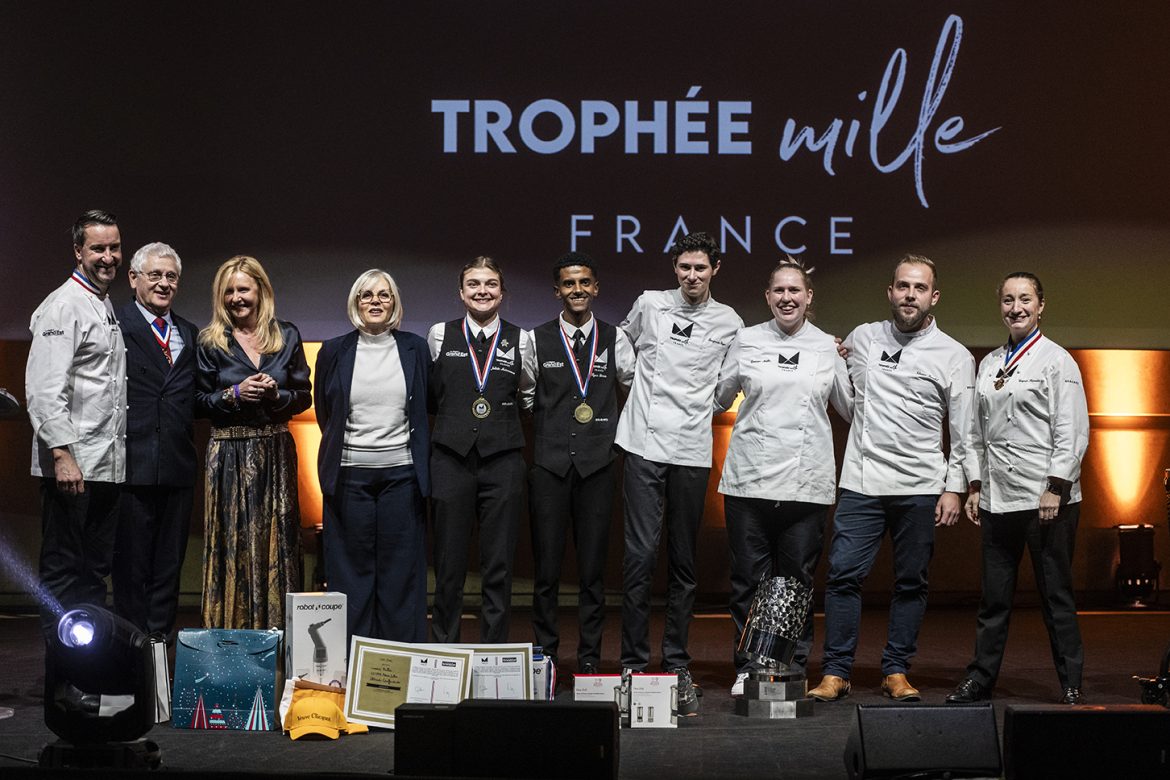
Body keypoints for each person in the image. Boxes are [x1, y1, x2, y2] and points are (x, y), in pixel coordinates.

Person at [808, 254, 977, 703]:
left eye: (919, 288)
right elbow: (845, 391)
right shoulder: (863, 338)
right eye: (903, 286)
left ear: (933, 297)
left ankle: (897, 670)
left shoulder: (955, 356)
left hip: (922, 486)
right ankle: (837, 671)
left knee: (911, 581)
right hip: (862, 482)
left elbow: (963, 429)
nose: (910, 295)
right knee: (843, 575)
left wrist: (955, 487)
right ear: (890, 291)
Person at [615, 231, 744, 715]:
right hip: (644, 445)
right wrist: (636, 387)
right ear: (675, 268)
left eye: (701, 268)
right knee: (639, 556)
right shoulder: (649, 304)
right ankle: (631, 660)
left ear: (716, 269)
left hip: (691, 448)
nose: (693, 276)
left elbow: (730, 381)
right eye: (685, 267)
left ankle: (675, 662)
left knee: (684, 561)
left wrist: (705, 407)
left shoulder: (729, 320)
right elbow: (621, 345)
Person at [946, 272, 1090, 705]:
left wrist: (1056, 486)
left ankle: (1071, 680)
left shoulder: (1058, 361)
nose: (1016, 308)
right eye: (1008, 300)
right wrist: (974, 486)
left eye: (1025, 299)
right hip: (997, 499)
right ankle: (980, 678)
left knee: (1055, 595)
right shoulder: (989, 363)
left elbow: (1073, 430)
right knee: (993, 600)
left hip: (1047, 500)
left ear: (1041, 305)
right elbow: (973, 434)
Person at [714, 258, 853, 696]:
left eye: (795, 291)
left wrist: (857, 357)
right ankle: (749, 666)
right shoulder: (746, 339)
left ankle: (789, 665)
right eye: (779, 291)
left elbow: (850, 408)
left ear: (809, 297)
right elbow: (720, 397)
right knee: (749, 581)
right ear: (767, 297)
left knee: (795, 581)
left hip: (805, 481)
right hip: (748, 479)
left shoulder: (827, 347)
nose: (787, 298)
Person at [528, 252, 635, 674]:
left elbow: (635, 388)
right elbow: (523, 394)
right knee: (546, 571)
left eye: (585, 283)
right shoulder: (535, 339)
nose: (577, 290)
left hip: (598, 468)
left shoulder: (616, 338)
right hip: (549, 468)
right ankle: (546, 658)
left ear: (596, 288)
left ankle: (590, 659)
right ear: (557, 291)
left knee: (593, 573)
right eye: (569, 284)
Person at [315, 269, 431, 644]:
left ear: (395, 303)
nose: (375, 302)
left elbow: (427, 407)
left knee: (401, 578)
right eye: (366, 295)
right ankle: (352, 668)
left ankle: (398, 664)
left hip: (402, 477)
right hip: (349, 478)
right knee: (351, 578)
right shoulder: (334, 350)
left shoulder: (416, 348)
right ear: (355, 303)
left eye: (384, 295)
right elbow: (325, 412)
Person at [196, 256, 312, 630]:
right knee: (233, 550)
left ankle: (277, 647)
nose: (235, 298)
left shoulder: (288, 335)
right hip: (228, 454)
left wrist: (277, 395)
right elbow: (196, 403)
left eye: (243, 289)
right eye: (228, 291)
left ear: (261, 291)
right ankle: (230, 645)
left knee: (278, 546)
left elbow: (304, 396)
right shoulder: (209, 341)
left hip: (275, 453)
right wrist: (233, 393)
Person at [26, 209, 127, 638]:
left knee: (92, 574)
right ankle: (61, 677)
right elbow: (46, 389)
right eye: (98, 248)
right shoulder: (62, 305)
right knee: (64, 572)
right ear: (78, 251)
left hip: (104, 467)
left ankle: (84, 671)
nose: (108, 256)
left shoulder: (102, 304)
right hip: (73, 468)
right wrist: (62, 454)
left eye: (114, 247)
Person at [427, 256, 536, 643]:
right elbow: (433, 394)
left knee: (498, 565)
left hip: (503, 461)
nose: (482, 291)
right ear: (461, 293)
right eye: (474, 284)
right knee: (449, 564)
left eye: (491, 284)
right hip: (450, 460)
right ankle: (444, 651)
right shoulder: (440, 334)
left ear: (502, 293)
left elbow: (527, 395)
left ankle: (493, 653)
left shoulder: (522, 339)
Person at [114, 241, 199, 639]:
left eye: (171, 277)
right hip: (132, 468)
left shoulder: (189, 332)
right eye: (155, 275)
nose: (163, 283)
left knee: (168, 573)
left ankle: (159, 662)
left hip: (178, 470)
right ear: (133, 279)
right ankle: (131, 667)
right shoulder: (114, 323)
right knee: (131, 575)